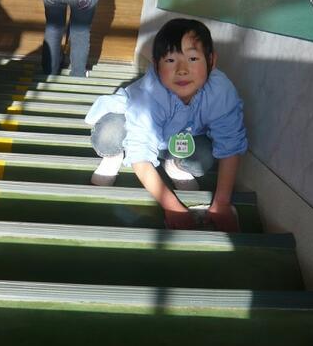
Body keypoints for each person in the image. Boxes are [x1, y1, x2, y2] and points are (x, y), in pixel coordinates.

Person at [85, 19, 248, 232]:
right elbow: (140, 152)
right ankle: (114, 156)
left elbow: (230, 144)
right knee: (109, 133)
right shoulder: (150, 94)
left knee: (203, 156)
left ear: (211, 60)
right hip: (130, 128)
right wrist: (172, 208)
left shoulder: (221, 90)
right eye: (170, 60)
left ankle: (174, 165)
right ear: (156, 65)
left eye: (192, 58)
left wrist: (222, 203)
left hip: (175, 137)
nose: (182, 70)